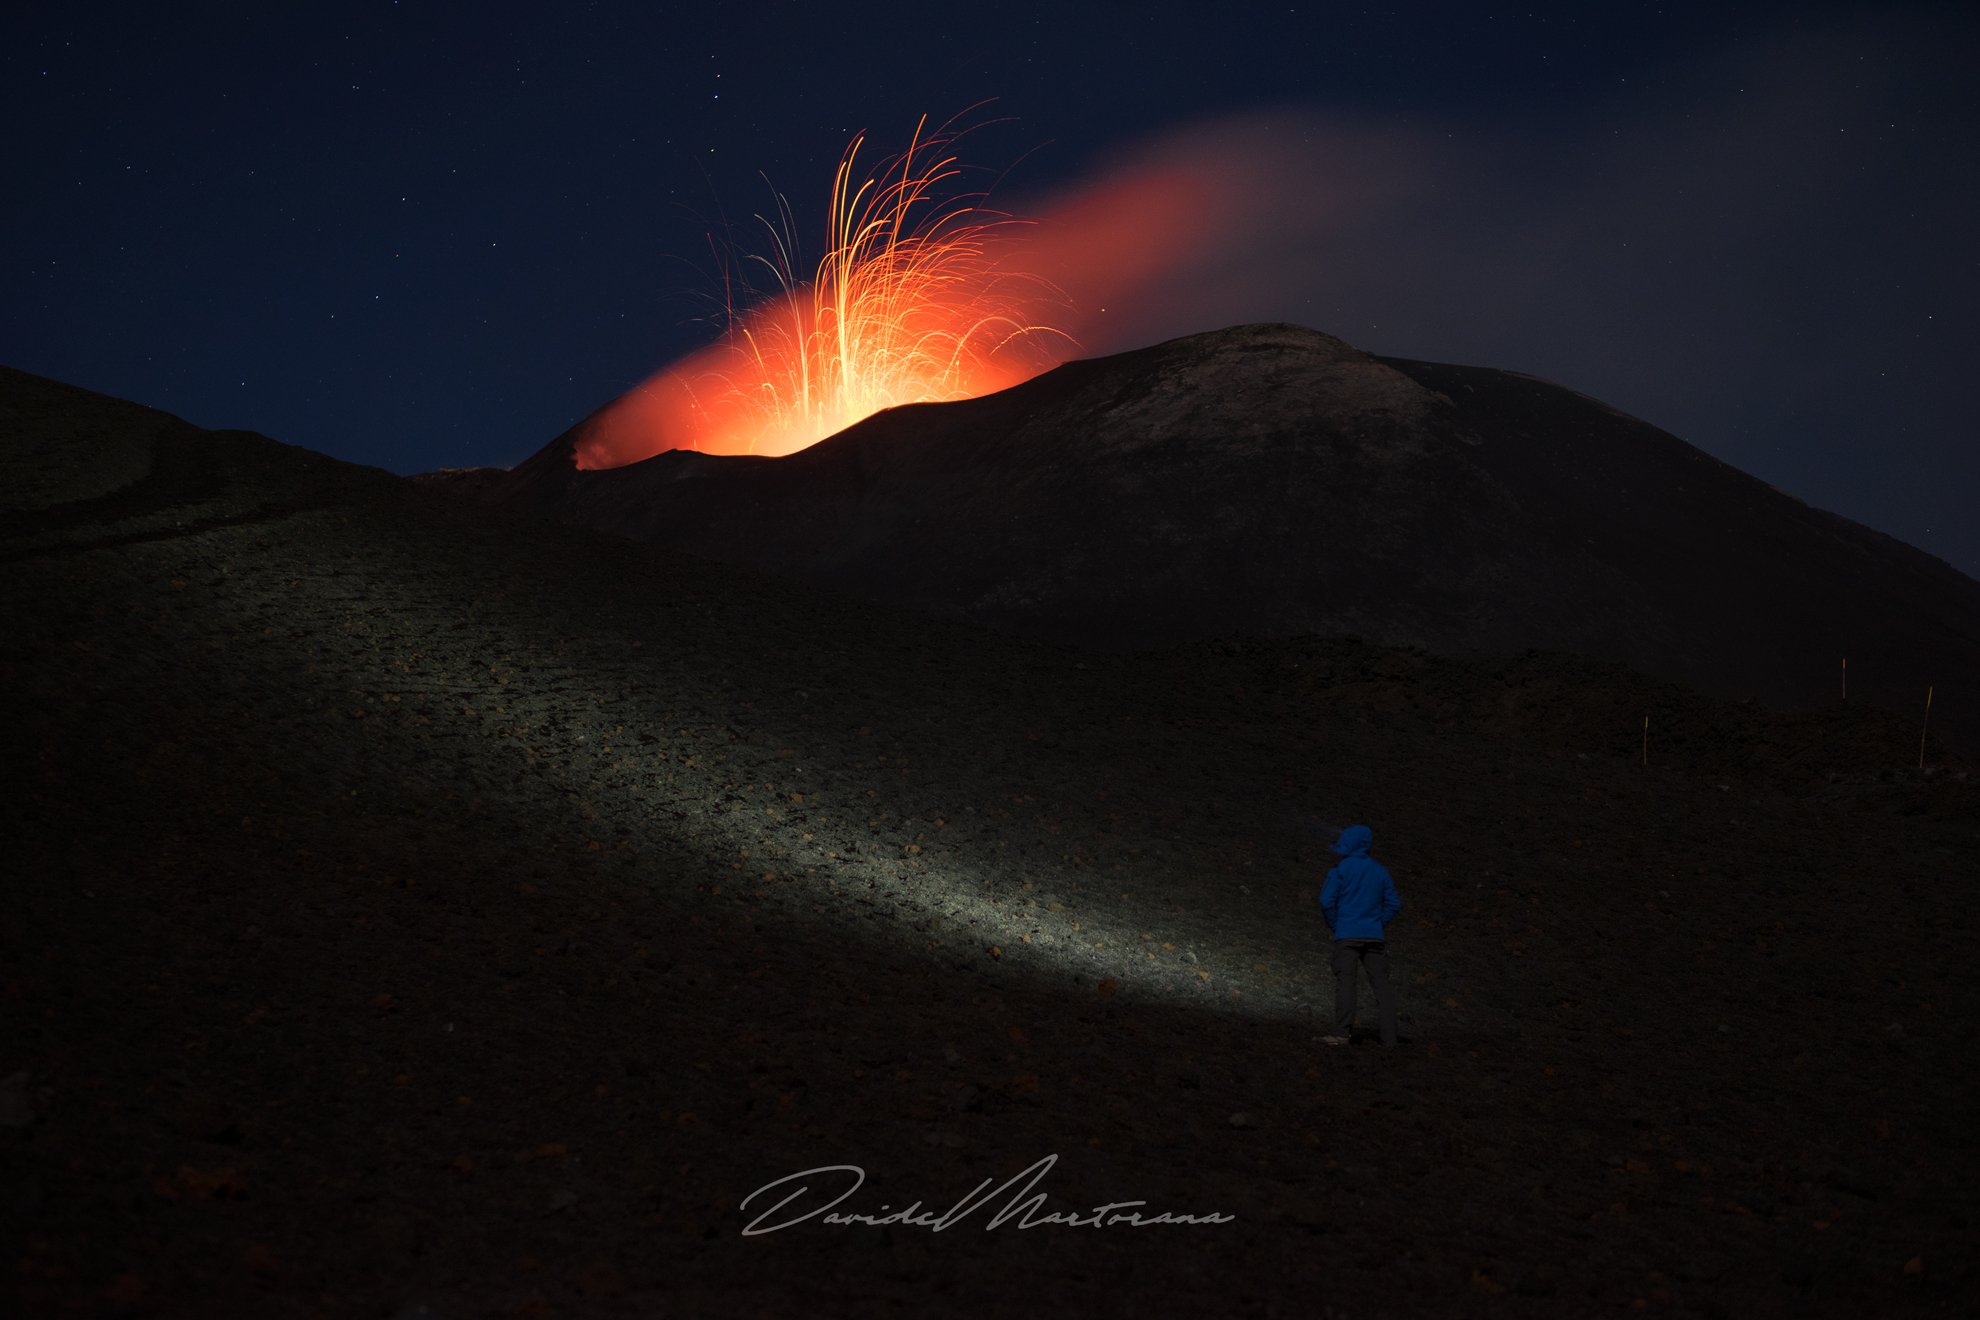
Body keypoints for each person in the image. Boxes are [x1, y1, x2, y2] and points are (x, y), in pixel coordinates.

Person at [1318, 824, 1400, 1047]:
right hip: (1374, 937)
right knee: (1381, 986)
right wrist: (1376, 924)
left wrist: (1337, 925)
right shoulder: (1380, 870)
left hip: (1347, 934)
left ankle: (1342, 1033)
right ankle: (1390, 1038)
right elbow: (1394, 903)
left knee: (1346, 983)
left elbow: (1326, 901)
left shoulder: (1340, 869)